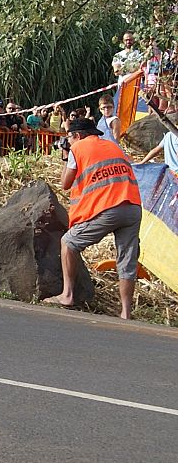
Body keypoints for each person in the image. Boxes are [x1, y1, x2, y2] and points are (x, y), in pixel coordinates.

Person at [43, 118, 142, 320]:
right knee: (127, 261)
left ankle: (67, 295)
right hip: (132, 207)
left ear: (77, 136)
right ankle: (126, 312)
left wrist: (65, 157)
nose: (68, 142)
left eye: (69, 137)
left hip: (109, 208)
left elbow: (65, 183)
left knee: (69, 242)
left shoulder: (77, 149)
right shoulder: (114, 147)